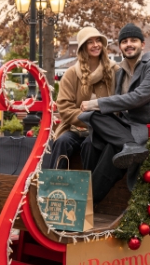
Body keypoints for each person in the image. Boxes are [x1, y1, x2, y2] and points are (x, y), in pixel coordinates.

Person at [79, 23, 150, 202]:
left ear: (143, 44)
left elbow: (136, 98)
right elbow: (119, 108)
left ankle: (87, 203)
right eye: (124, 41)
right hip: (129, 128)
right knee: (91, 120)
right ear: (120, 46)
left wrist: (96, 103)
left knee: (111, 147)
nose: (129, 44)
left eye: (134, 40)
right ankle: (129, 144)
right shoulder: (120, 72)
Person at [47, 27, 117, 169]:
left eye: (98, 41)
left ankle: (90, 189)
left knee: (91, 145)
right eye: (90, 42)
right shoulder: (71, 73)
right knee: (62, 142)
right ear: (83, 47)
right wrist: (89, 119)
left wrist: (100, 123)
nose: (95, 45)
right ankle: (52, 186)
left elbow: (121, 101)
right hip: (75, 128)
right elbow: (65, 107)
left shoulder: (114, 71)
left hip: (103, 130)